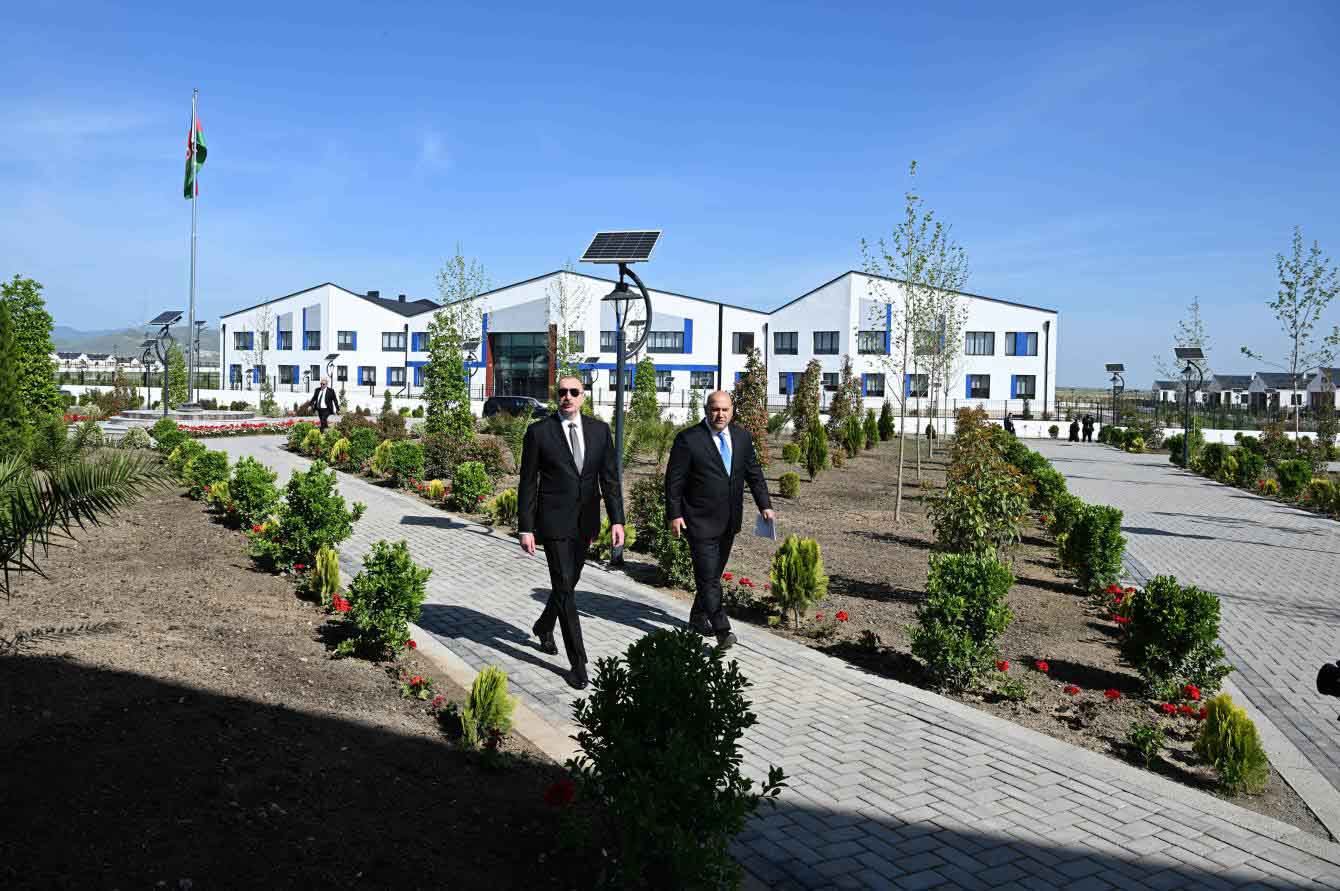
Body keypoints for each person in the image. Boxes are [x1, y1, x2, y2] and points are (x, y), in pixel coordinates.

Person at [517, 376, 624, 690]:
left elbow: (610, 479)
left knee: (567, 583)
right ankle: (578, 663)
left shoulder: (599, 430)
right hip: (552, 522)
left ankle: (543, 625)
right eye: (562, 392)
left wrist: (617, 520)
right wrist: (526, 527)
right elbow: (528, 482)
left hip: (585, 523)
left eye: (573, 392)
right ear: (556, 396)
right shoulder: (539, 432)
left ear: (582, 396)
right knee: (564, 586)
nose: (567, 396)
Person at [665, 390, 775, 650]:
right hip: (698, 520)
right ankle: (722, 629)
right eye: (715, 409)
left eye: (725, 409)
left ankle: (697, 617)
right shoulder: (688, 439)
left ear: (732, 411)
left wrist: (765, 505)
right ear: (707, 410)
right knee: (708, 578)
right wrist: (674, 514)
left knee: (712, 574)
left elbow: (754, 474)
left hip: (729, 521)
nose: (720, 414)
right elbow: (674, 482)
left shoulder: (742, 437)